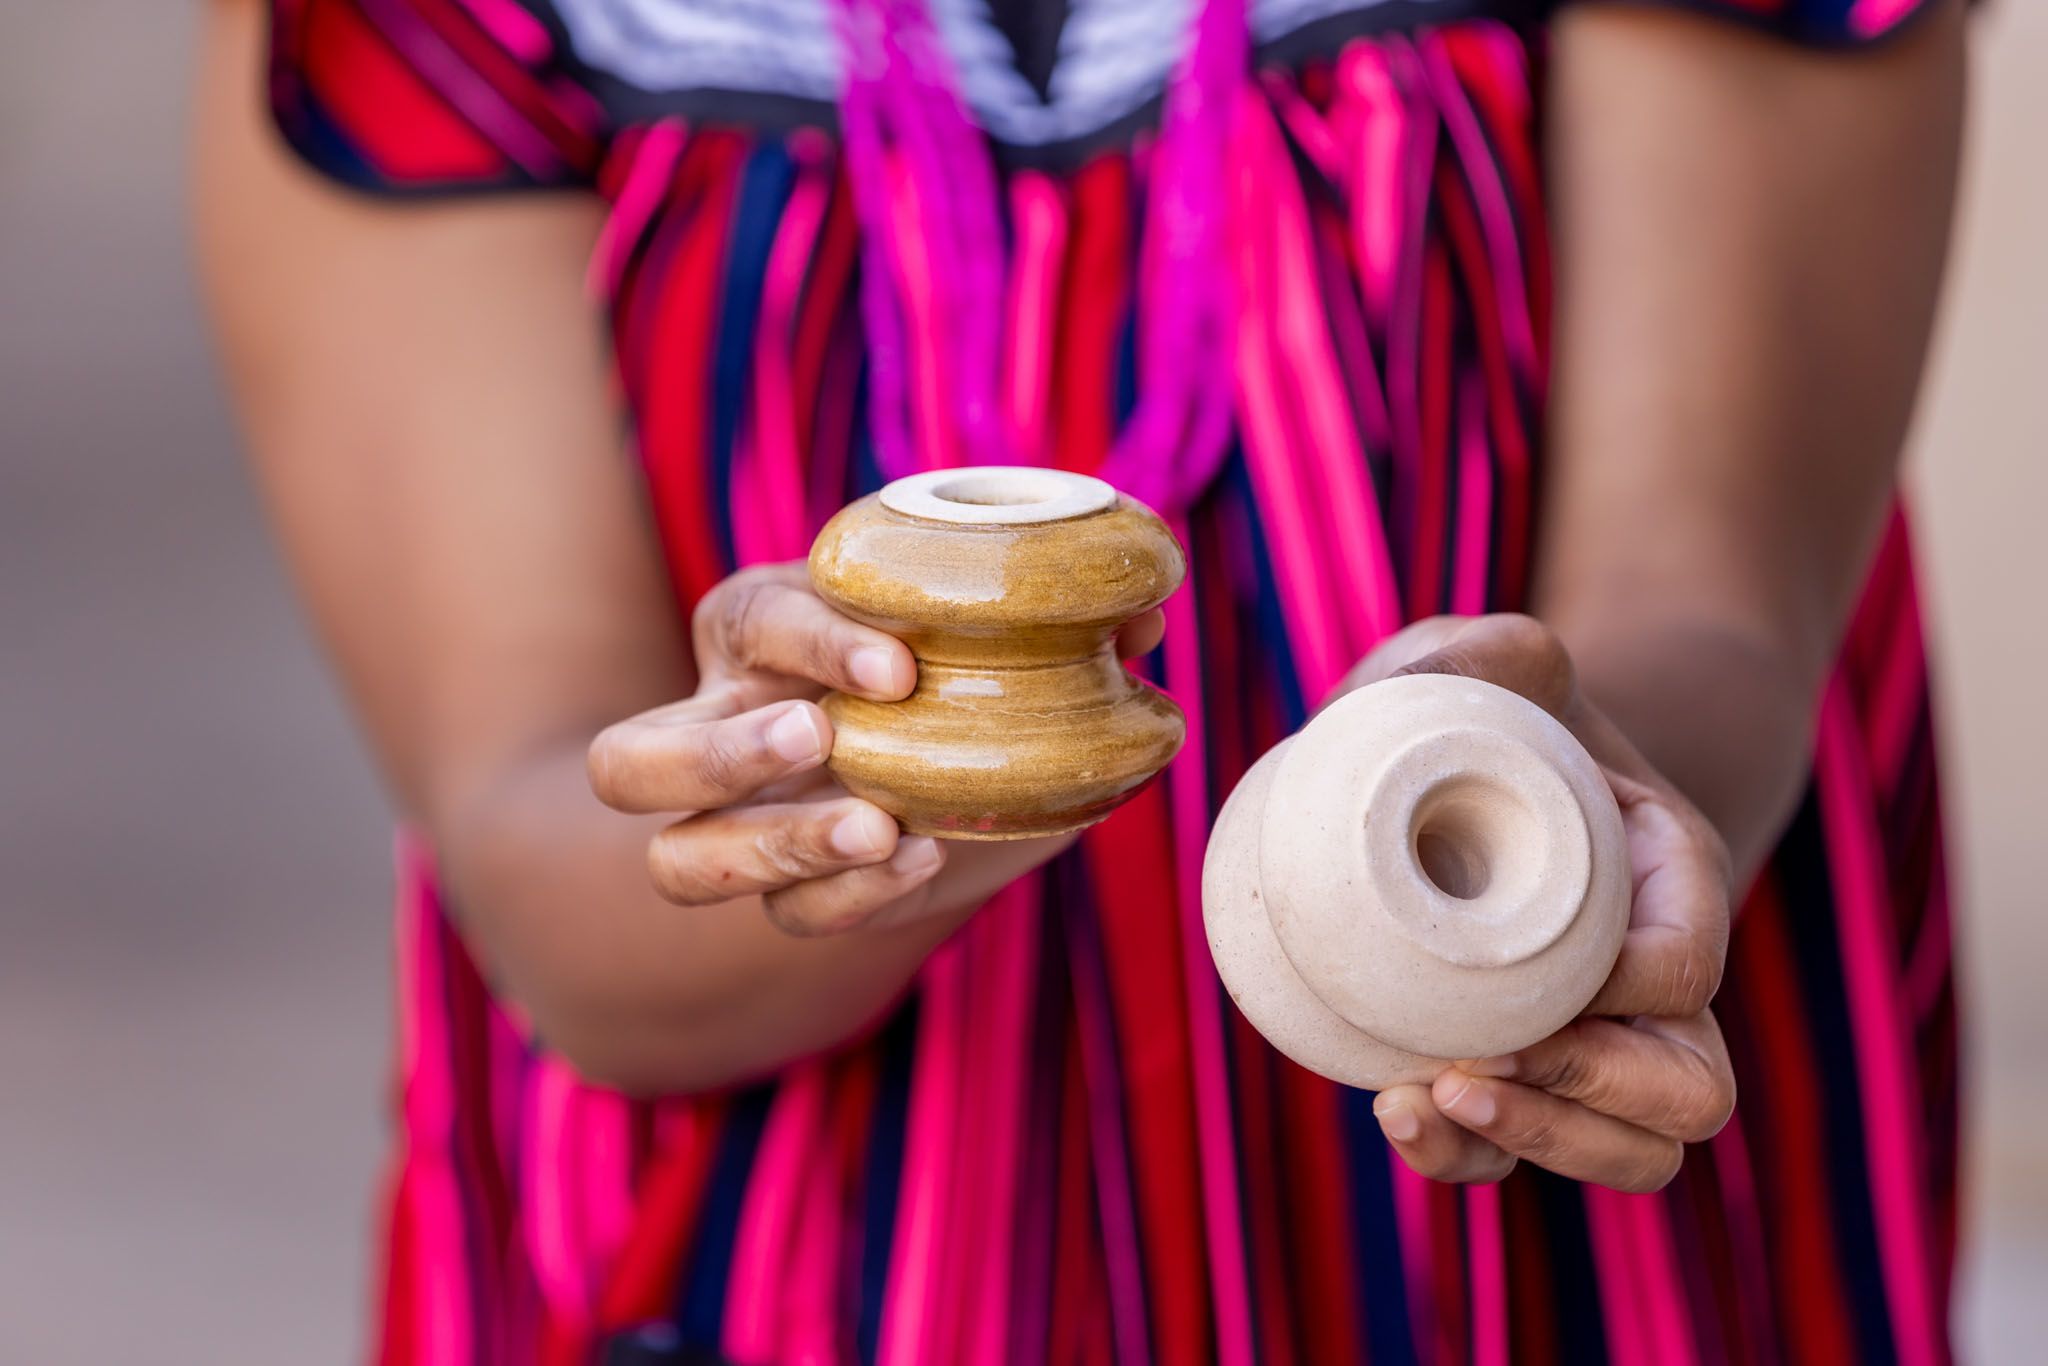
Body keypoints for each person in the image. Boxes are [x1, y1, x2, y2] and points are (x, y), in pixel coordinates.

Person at [194, 0, 1965, 1359]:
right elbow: (546, 855)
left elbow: (1715, 598)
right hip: (788, 1274)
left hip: (1541, 1249)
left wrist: (1594, 801)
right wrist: (857, 787)